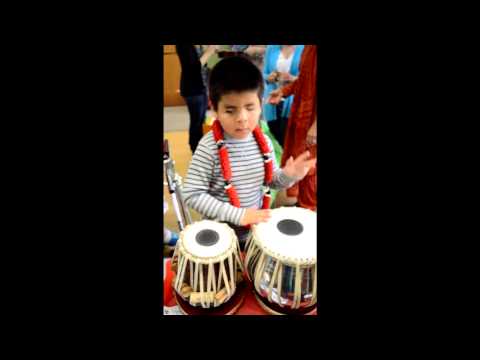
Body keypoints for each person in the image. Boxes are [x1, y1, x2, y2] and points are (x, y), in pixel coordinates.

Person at [181, 56, 316, 248]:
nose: (242, 118)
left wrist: (288, 176)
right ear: (214, 108)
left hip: (254, 234)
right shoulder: (209, 147)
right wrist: (239, 215)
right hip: (220, 240)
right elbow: (192, 194)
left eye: (250, 107)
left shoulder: (263, 142)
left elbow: (270, 180)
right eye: (230, 110)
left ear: (260, 104)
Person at [268, 45, 317, 211]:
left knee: (310, 166)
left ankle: (308, 209)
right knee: (301, 163)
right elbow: (304, 80)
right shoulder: (309, 48)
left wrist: (316, 126)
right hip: (302, 115)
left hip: (312, 121)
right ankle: (303, 205)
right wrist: (284, 91)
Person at [176, 45, 217, 153]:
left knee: (201, 120)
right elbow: (193, 68)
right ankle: (195, 149)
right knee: (196, 121)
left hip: (200, 86)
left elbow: (202, 65)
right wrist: (209, 51)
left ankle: (200, 147)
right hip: (192, 89)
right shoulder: (184, 46)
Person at [262, 45, 304, 147]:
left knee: (287, 139)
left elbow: (308, 79)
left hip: (293, 102)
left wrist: (292, 78)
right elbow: (264, 74)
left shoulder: (305, 48)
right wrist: (269, 77)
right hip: (272, 102)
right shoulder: (271, 48)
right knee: (274, 137)